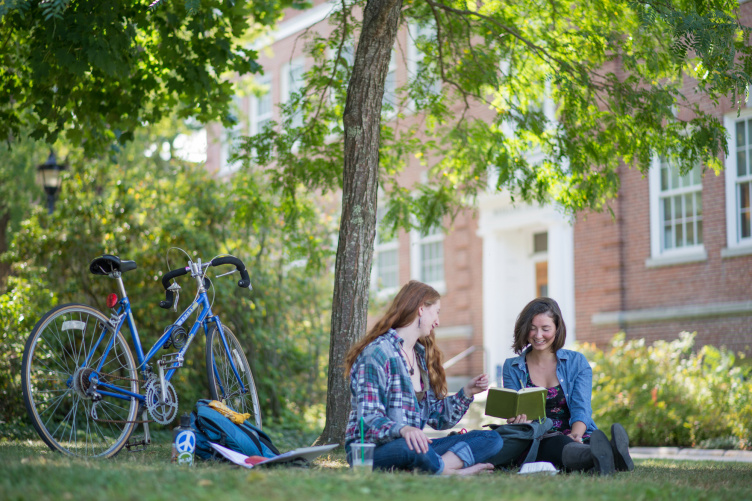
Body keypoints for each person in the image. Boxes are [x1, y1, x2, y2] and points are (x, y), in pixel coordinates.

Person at [345, 280, 503, 475]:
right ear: (421, 309)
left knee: (491, 439)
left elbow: (438, 419)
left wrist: (467, 392)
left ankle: (435, 466)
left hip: (416, 446)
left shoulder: (419, 357)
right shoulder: (378, 353)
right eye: (436, 312)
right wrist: (403, 430)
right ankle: (449, 472)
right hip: (373, 450)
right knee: (409, 447)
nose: (437, 321)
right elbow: (368, 418)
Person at [502, 297, 633, 474]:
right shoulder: (512, 367)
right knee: (557, 443)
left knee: (579, 442)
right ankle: (607, 457)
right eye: (532, 329)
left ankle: (598, 457)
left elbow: (582, 407)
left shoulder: (577, 362)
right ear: (524, 330)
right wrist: (516, 420)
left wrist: (576, 434)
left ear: (557, 328)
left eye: (545, 329)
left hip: (574, 432)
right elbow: (512, 411)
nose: (538, 335)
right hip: (536, 437)